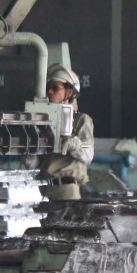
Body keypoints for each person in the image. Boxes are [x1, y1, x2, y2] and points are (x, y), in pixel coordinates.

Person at [38, 63, 94, 200]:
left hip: (67, 190)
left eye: (55, 88)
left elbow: (88, 153)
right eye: (48, 88)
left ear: (69, 92)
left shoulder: (81, 120)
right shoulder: (45, 122)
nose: (49, 92)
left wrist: (77, 147)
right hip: (44, 189)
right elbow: (39, 162)